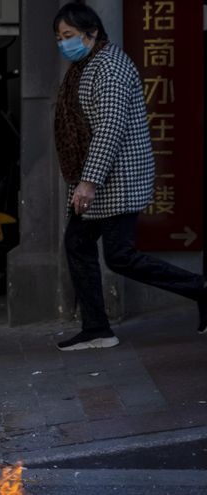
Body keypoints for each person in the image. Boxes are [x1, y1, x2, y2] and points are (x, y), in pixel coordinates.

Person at [52, 3, 206, 351]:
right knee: (77, 244)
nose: (63, 44)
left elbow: (110, 128)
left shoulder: (110, 66)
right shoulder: (86, 65)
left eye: (68, 36)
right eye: (59, 38)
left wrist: (88, 183)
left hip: (117, 179)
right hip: (99, 177)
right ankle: (96, 328)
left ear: (91, 33)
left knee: (118, 255)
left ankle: (200, 288)